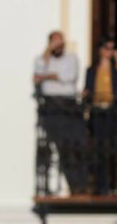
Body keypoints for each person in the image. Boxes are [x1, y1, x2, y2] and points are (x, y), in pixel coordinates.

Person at [34, 31, 84, 195]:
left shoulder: (71, 58)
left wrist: (47, 76)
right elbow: (37, 75)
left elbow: (69, 77)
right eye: (54, 43)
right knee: (54, 147)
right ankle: (54, 187)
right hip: (51, 106)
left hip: (68, 106)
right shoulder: (43, 59)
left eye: (60, 42)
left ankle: (78, 184)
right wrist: (47, 54)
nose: (58, 46)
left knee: (73, 146)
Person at [83, 38, 117, 195]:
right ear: (101, 50)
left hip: (114, 112)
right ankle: (102, 185)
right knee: (100, 150)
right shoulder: (92, 70)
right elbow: (88, 88)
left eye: (112, 49)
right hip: (98, 112)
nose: (110, 52)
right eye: (107, 48)